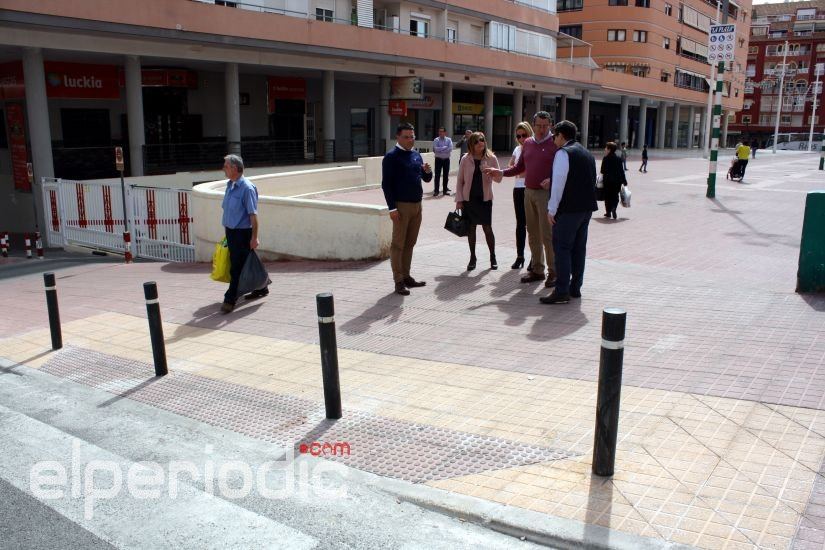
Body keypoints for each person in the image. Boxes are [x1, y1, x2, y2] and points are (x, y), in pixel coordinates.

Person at [485, 111, 558, 288]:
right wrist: (501, 172)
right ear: (533, 125)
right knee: (532, 233)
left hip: (545, 194)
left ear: (550, 125)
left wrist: (552, 179)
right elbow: (519, 167)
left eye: (545, 126)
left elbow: (563, 168)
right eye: (539, 125)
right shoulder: (528, 143)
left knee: (547, 234)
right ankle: (538, 270)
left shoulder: (555, 143)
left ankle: (554, 272)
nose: (542, 129)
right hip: (528, 191)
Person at [541, 120, 598, 305]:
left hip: (569, 210)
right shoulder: (586, 153)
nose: (553, 139)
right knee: (579, 249)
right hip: (586, 209)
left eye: (554, 135)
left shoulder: (563, 153)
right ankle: (575, 288)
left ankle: (561, 291)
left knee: (562, 248)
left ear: (561, 135)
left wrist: (551, 209)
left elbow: (558, 183)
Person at [382, 122, 433, 296]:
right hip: (401, 206)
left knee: (410, 243)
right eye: (406, 137)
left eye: (412, 136)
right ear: (398, 137)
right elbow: (386, 185)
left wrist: (427, 172)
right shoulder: (391, 157)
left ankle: (406, 276)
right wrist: (392, 208)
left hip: (417, 205)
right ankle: (398, 281)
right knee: (398, 244)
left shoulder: (416, 155)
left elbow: (426, 179)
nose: (410, 140)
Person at [220, 154, 266, 313]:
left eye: (226, 166)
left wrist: (254, 237)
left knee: (237, 267)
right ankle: (262, 287)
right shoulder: (230, 185)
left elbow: (253, 215)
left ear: (234, 168)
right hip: (231, 232)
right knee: (246, 262)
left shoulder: (247, 188)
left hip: (242, 233)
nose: (223, 168)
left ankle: (230, 299)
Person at [455, 132, 502, 270]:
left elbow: (499, 179)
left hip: (485, 199)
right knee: (471, 228)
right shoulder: (465, 159)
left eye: (482, 140)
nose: (480, 143)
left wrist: (491, 173)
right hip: (469, 200)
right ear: (471, 144)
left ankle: (492, 256)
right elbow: (460, 181)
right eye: (476, 141)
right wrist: (459, 200)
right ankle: (472, 257)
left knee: (487, 228)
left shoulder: (491, 158)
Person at [509, 122, 533, 269]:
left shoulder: (534, 148)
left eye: (524, 135)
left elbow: (531, 169)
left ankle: (534, 257)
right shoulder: (517, 149)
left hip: (530, 188)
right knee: (520, 224)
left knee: (532, 225)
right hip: (518, 188)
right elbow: (511, 165)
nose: (521, 139)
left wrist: (519, 171)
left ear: (529, 133)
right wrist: (518, 170)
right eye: (518, 136)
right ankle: (520, 256)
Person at [600, 142, 626, 220]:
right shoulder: (618, 159)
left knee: (607, 196)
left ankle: (608, 212)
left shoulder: (605, 158)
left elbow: (602, 170)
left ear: (609, 149)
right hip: (617, 181)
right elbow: (621, 171)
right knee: (615, 196)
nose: (605, 149)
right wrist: (624, 181)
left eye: (606, 148)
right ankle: (614, 207)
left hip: (607, 181)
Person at [432, 127, 453, 197]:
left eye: (442, 131)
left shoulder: (449, 140)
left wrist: (440, 150)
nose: (440, 133)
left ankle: (445, 191)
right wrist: (444, 148)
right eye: (439, 131)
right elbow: (435, 149)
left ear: (445, 132)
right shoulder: (436, 140)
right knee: (437, 175)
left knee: (446, 176)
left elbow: (450, 149)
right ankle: (436, 191)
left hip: (446, 160)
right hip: (438, 159)